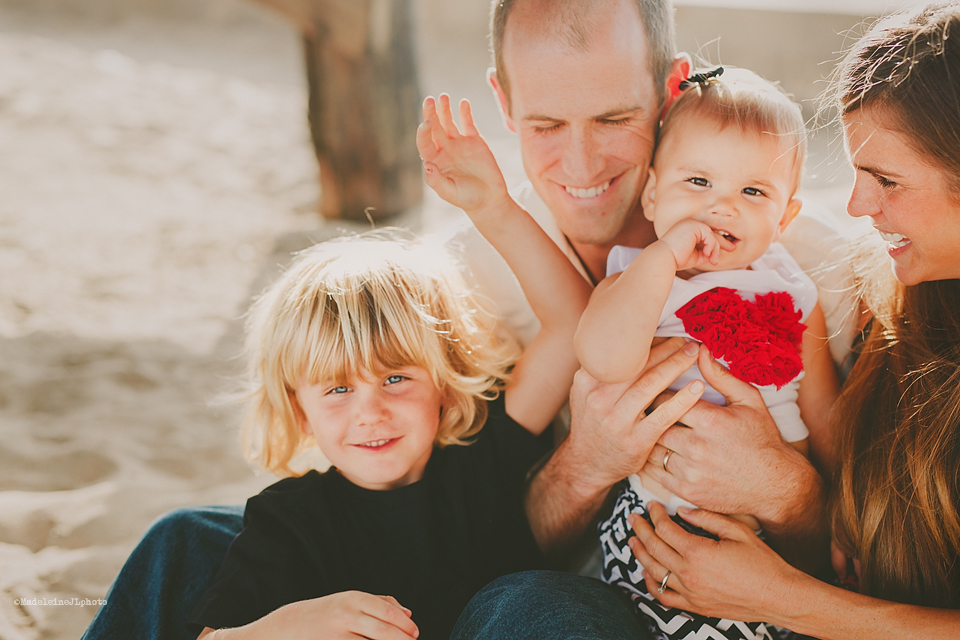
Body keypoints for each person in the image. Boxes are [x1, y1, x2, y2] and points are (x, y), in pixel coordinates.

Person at [80, 1, 856, 638]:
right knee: (186, 542)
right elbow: (464, 523)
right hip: (505, 581)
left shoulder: (806, 270)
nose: (581, 165)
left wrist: (787, 491)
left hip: (634, 597)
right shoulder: (459, 283)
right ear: (504, 103)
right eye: (546, 125)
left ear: (670, 88)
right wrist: (587, 462)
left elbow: (872, 553)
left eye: (614, 118)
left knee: (530, 602)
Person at [623, 3, 960, 638]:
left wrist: (785, 599)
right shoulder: (893, 299)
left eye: (886, 180)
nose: (856, 206)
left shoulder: (800, 289)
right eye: (857, 174)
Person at [188, 216, 590, 640]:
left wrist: (493, 205)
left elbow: (572, 323)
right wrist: (291, 626)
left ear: (444, 383)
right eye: (339, 389)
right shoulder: (288, 522)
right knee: (181, 535)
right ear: (299, 410)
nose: (370, 413)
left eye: (395, 378)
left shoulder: (483, 452)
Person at [571, 66, 839, 639]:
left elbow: (824, 415)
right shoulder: (639, 282)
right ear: (651, 194)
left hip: (773, 542)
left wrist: (842, 523)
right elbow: (605, 360)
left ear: (785, 217)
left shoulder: (793, 292)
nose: (721, 207)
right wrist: (663, 258)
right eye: (698, 182)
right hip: (662, 524)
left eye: (752, 191)